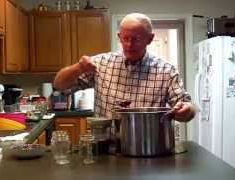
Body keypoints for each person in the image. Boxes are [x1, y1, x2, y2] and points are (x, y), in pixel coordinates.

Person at [54, 13, 196, 122]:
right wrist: (78, 68)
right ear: (119, 36)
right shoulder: (100, 63)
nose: (129, 44)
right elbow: (59, 85)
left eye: (136, 39)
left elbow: (187, 107)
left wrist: (186, 110)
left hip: (149, 148)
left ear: (150, 39)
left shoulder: (166, 71)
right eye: (125, 38)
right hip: (106, 148)